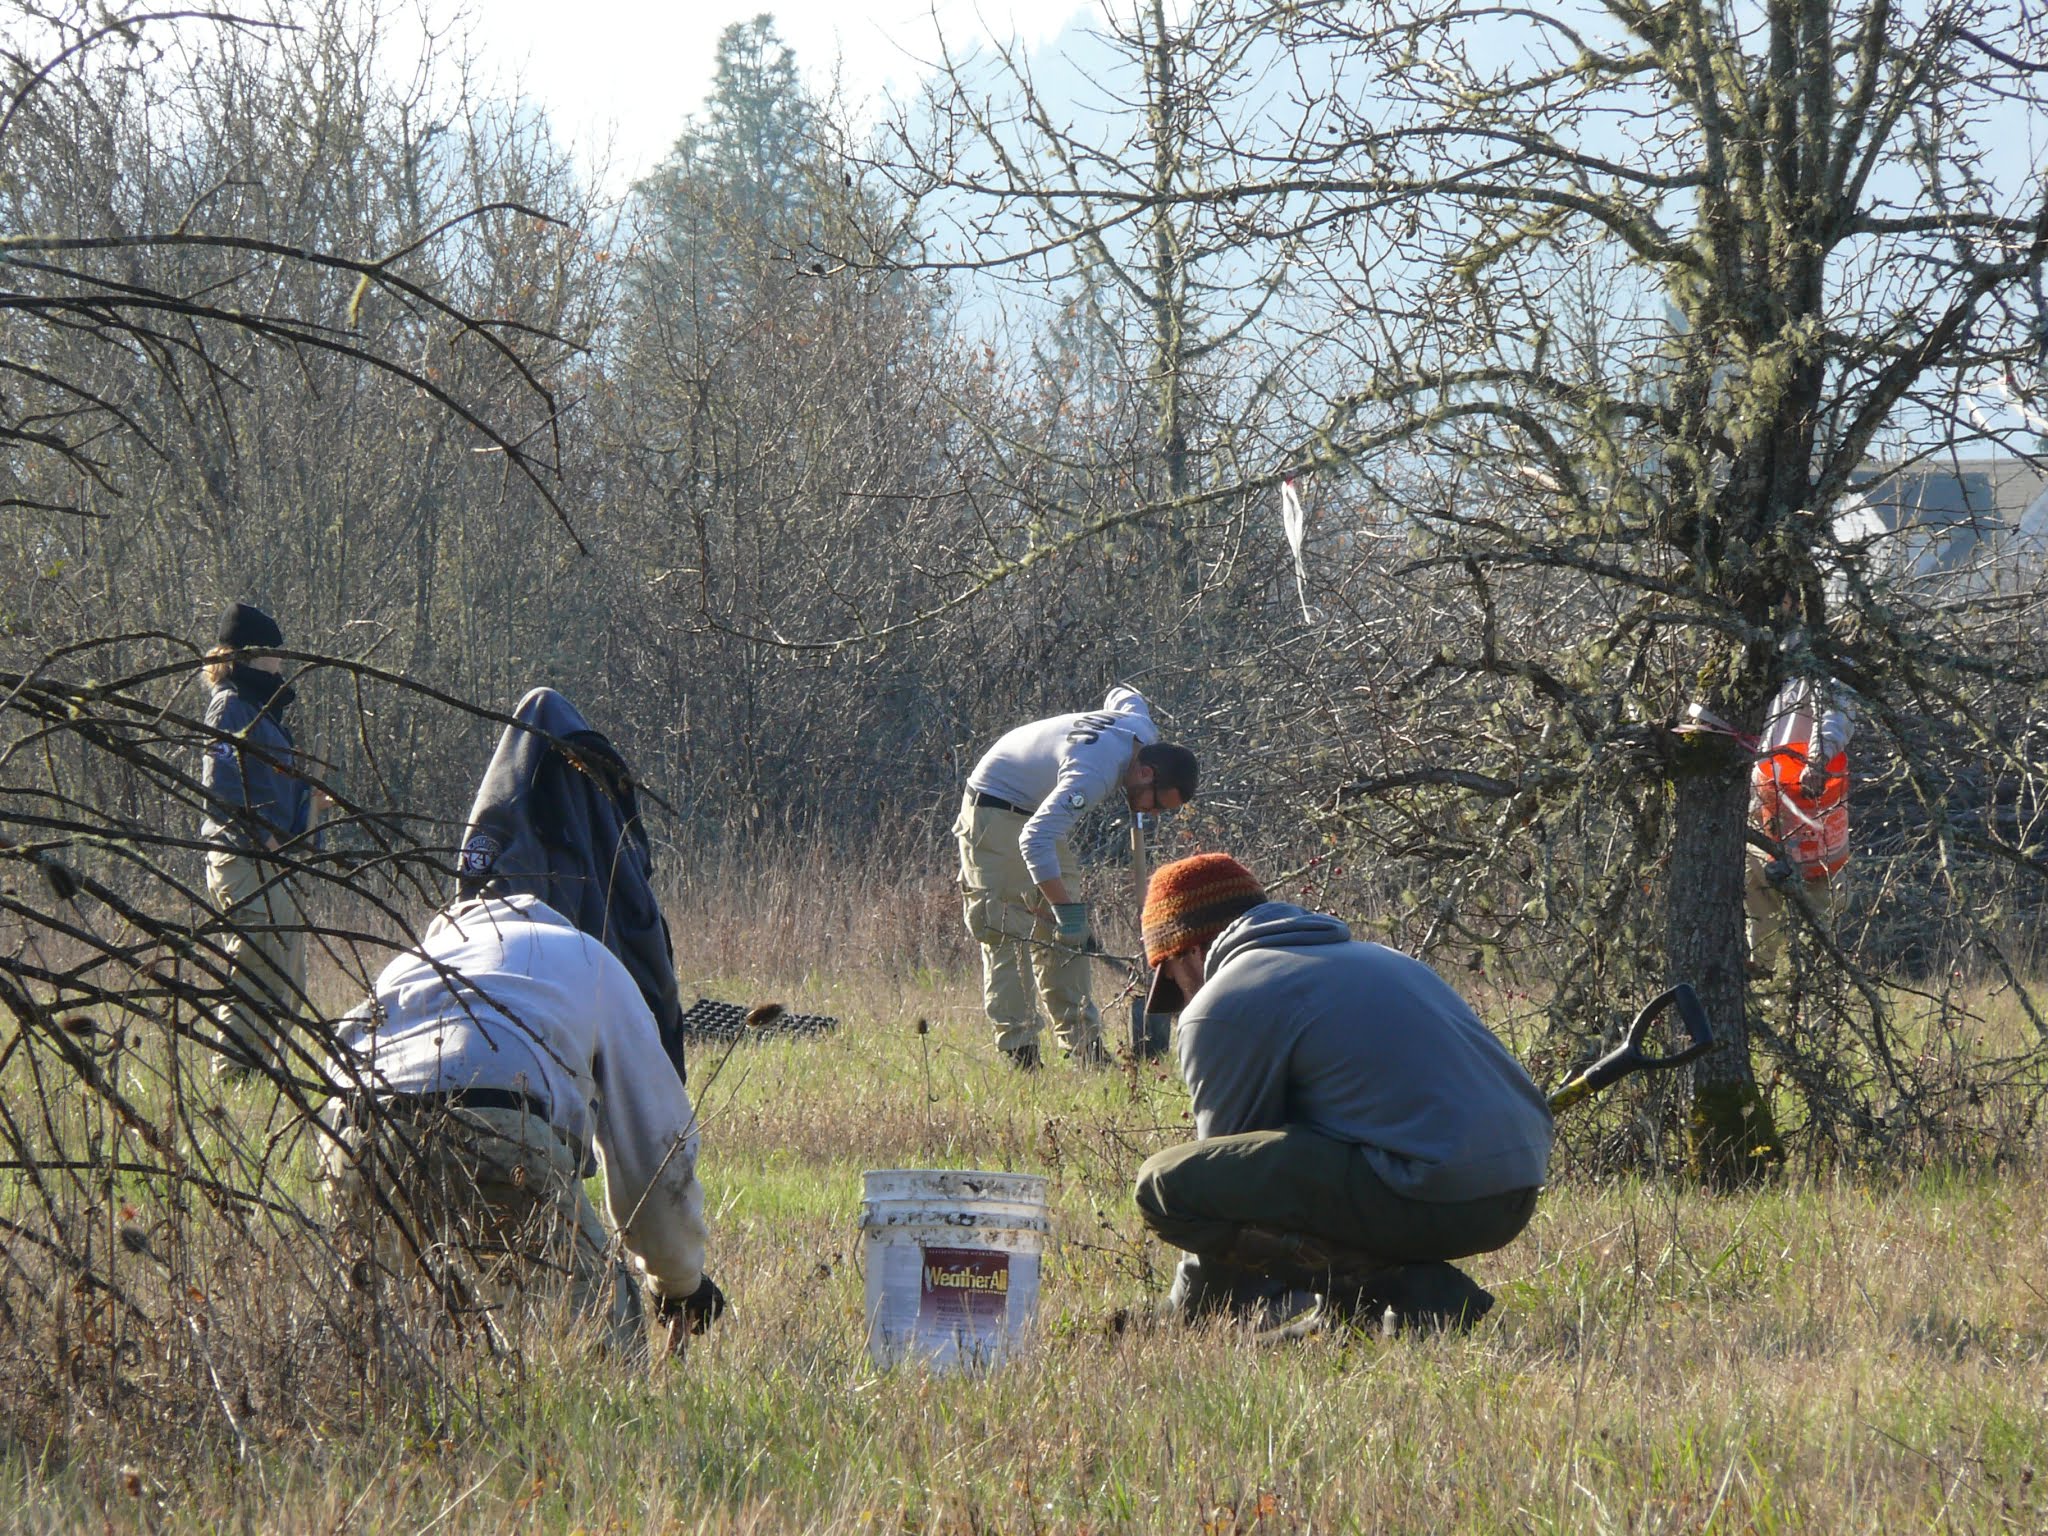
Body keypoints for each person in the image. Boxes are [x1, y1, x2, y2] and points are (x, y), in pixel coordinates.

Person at [1129, 853, 1553, 1336]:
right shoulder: (1380, 959)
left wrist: (1189, 1315)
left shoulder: (1222, 1002)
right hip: (1513, 1192)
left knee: (1166, 1185)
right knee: (1301, 1141)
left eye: (1172, 979)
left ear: (1190, 951)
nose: (1183, 998)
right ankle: (1351, 1313)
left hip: (1434, 1194)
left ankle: (1407, 1287)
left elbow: (1225, 1191)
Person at [323, 891, 723, 1354]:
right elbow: (655, 1152)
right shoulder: (588, 958)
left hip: (356, 1133)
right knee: (598, 1340)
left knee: (405, 1347)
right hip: (495, 1126)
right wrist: (677, 1281)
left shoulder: (411, 962)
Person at [955, 686, 1199, 1069]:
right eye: (1155, 803)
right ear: (1145, 772)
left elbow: (1124, 692)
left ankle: (1086, 1052)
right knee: (1008, 929)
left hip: (1037, 812)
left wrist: (1068, 917)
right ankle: (1022, 1056)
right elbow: (1034, 840)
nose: (1152, 815)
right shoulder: (1092, 774)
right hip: (995, 806)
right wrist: (1065, 912)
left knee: (1068, 940)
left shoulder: (1143, 732)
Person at [197, 601, 318, 1075]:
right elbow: (224, 786)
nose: (280, 662)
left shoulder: (258, 709)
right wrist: (267, 844)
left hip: (270, 860)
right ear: (245, 655)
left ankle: (263, 1074)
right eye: (272, 652)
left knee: (284, 969)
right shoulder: (229, 707)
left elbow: (272, 783)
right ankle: (232, 1075)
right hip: (246, 860)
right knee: (254, 967)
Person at [1746, 672, 1855, 977]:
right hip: (1765, 800)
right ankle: (1763, 978)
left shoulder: (1822, 663)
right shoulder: (1758, 657)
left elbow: (1838, 712)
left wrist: (1819, 758)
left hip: (1811, 806)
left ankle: (1813, 990)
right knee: (1757, 891)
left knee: (1818, 902)